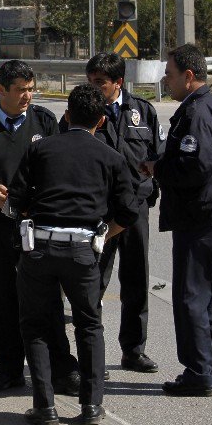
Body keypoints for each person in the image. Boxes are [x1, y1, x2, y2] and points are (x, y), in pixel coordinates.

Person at [6, 83, 139, 425]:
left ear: (66, 116)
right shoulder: (112, 157)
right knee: (89, 326)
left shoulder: (40, 149)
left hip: (38, 248)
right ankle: (91, 406)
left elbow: (15, 203)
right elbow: (128, 212)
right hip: (83, 251)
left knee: (35, 326)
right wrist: (102, 236)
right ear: (100, 121)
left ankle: (45, 407)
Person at [0, 60, 80, 393]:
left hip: (36, 226)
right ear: (1, 90)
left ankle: (60, 368)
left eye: (30, 88)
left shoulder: (43, 122)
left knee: (46, 297)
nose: (27, 96)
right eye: (20, 90)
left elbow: (60, 163)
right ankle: (8, 367)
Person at [141, 44, 212, 397]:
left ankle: (198, 371)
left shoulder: (198, 113)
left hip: (200, 217)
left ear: (188, 77)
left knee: (191, 296)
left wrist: (158, 168)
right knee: (208, 295)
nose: (165, 81)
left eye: (169, 75)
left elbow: (194, 167)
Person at [60, 53, 163, 374]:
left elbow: (156, 158)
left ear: (118, 83)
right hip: (97, 213)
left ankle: (133, 351)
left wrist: (150, 187)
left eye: (99, 82)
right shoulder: (78, 115)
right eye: (90, 81)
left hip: (134, 211)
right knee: (93, 283)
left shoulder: (143, 112)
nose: (93, 87)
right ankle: (92, 356)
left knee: (136, 280)